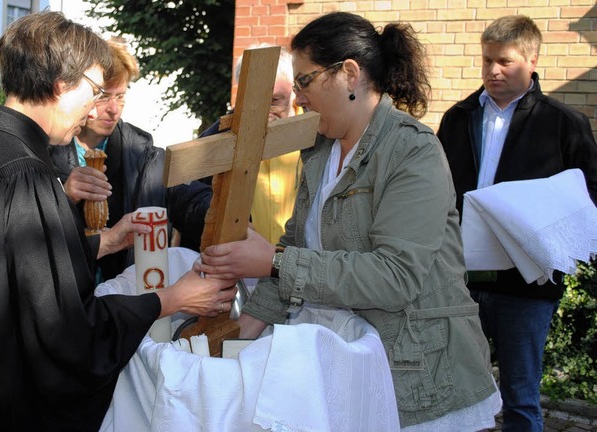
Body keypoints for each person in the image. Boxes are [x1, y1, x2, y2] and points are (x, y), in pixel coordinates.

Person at [195, 11, 501, 431]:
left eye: (304, 80)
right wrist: (237, 338)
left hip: (416, 376)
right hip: (347, 365)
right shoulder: (321, 150)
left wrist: (274, 261)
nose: (298, 97)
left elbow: (394, 277)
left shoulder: (413, 151)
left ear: (349, 74)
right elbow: (296, 246)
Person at [0, 12, 236, 431]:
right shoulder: (24, 173)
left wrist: (103, 242)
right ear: (60, 85)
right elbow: (67, 337)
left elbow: (10, 272)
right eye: (91, 90)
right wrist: (171, 299)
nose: (94, 105)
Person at [436, 15, 597, 432]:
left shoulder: (564, 124)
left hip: (527, 285)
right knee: (450, 389)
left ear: (532, 59)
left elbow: (589, 198)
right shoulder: (458, 118)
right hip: (462, 279)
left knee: (521, 398)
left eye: (504, 61)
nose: (492, 70)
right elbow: (437, 190)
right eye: (487, 60)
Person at [49, 39, 212, 281]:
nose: (114, 109)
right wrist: (62, 196)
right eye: (103, 97)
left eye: (121, 96)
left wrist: (220, 212)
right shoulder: (45, 151)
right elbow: (25, 237)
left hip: (130, 304)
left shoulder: (145, 156)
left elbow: (191, 200)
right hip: (66, 307)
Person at [199, 44, 301, 244]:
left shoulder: (318, 133)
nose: (264, 110)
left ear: (294, 90)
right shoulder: (223, 136)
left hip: (301, 262)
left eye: (274, 100)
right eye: (254, 98)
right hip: (243, 263)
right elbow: (188, 191)